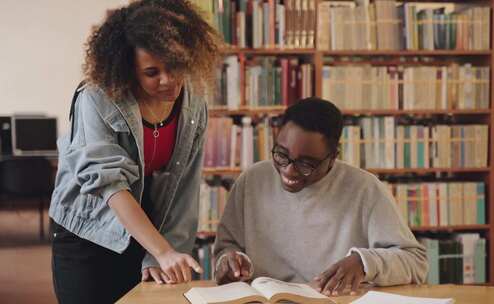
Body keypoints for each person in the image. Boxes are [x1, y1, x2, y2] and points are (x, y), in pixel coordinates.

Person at [48, 1, 221, 303]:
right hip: (88, 228)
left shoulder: (193, 106)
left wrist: (161, 254)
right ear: (129, 70)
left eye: (175, 66)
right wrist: (162, 250)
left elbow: (185, 188)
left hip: (144, 230)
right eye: (152, 72)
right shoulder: (97, 96)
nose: (167, 81)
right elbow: (110, 183)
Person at [213, 97, 428, 296]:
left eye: (306, 164)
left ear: (333, 157)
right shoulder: (252, 181)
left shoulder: (365, 189)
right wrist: (228, 262)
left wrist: (364, 263)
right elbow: (226, 248)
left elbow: (416, 262)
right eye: (281, 155)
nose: (289, 171)